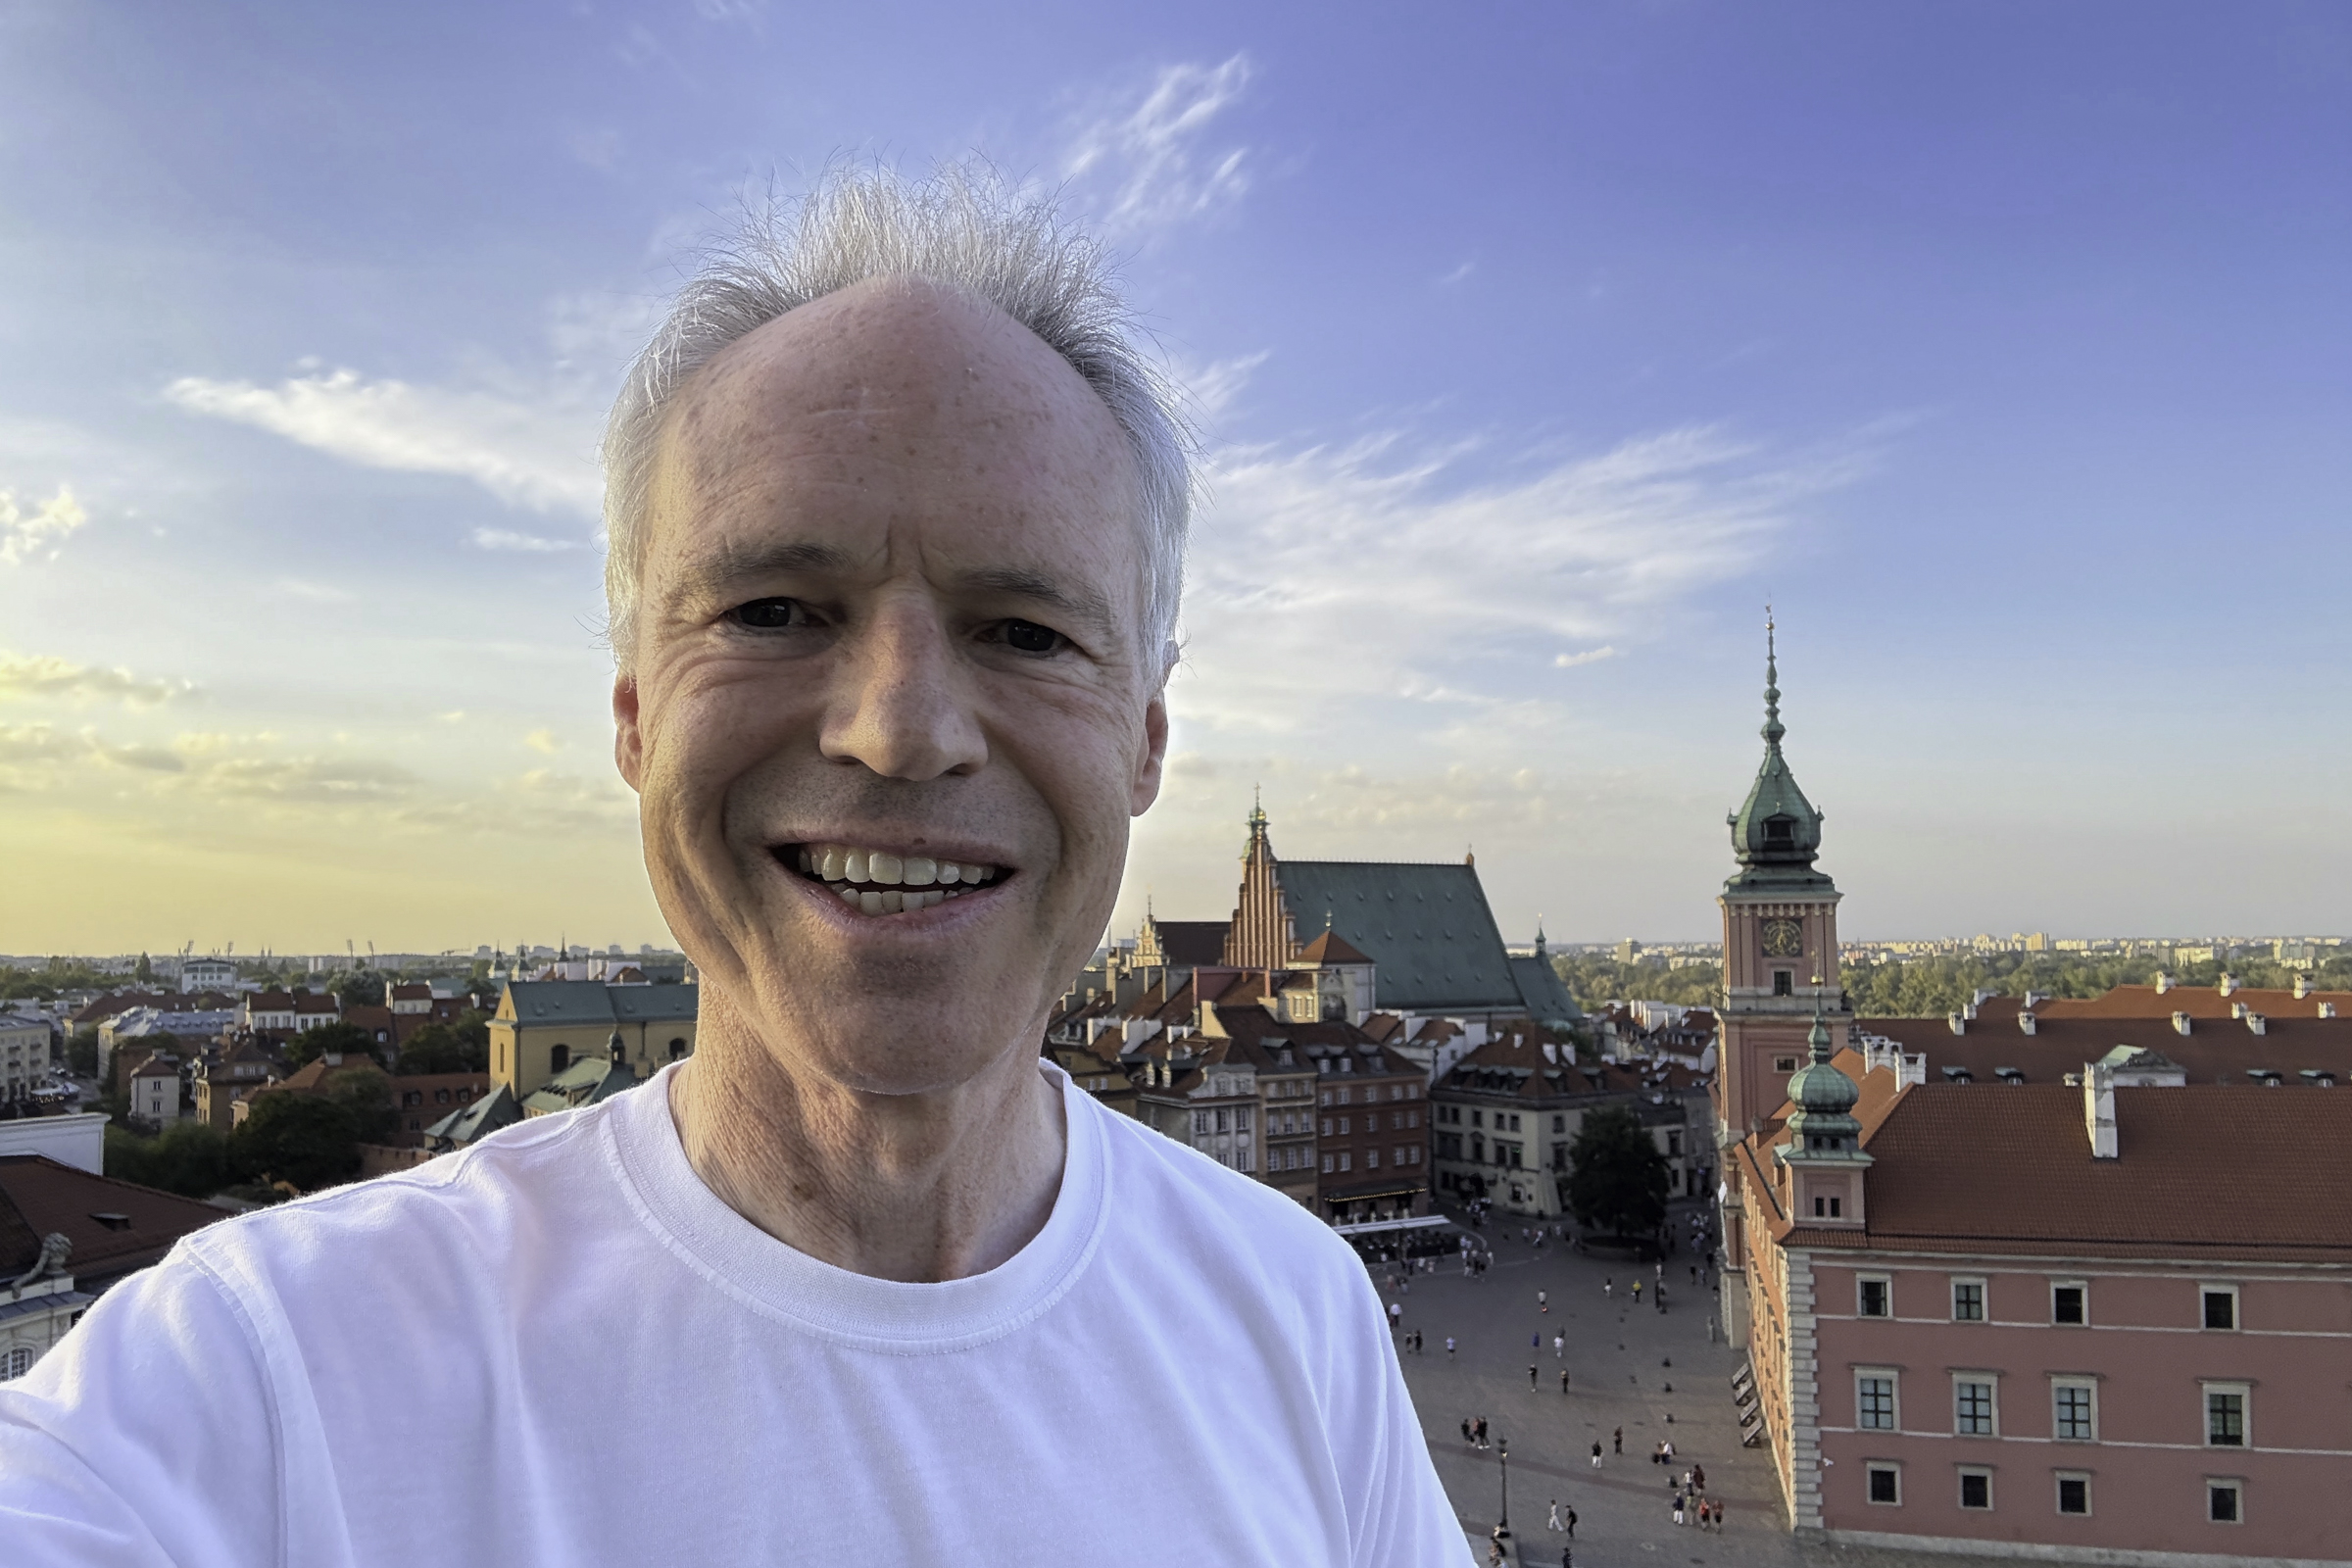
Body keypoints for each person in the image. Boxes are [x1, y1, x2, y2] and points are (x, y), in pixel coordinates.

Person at [0, 167, 1471, 1567]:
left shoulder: (1299, 1318)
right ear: (635, 714)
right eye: (773, 610)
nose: (902, 730)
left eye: (1027, 631)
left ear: (1143, 740)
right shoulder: (265, 1380)